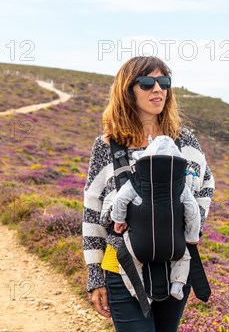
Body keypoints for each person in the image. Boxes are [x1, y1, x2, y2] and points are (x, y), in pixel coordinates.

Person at [82, 56, 215, 331]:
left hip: (176, 263)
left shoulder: (184, 140)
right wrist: (95, 276)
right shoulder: (107, 145)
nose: (158, 89)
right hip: (121, 265)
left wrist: (193, 224)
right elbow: (92, 210)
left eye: (163, 82)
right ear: (127, 90)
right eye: (147, 83)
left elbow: (206, 185)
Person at [100, 135, 201, 302]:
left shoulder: (136, 182)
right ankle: (177, 284)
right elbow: (193, 211)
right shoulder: (180, 187)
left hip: (139, 244)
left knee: (129, 263)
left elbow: (120, 200)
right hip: (174, 245)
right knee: (184, 257)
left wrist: (119, 220)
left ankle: (139, 294)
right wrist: (192, 236)